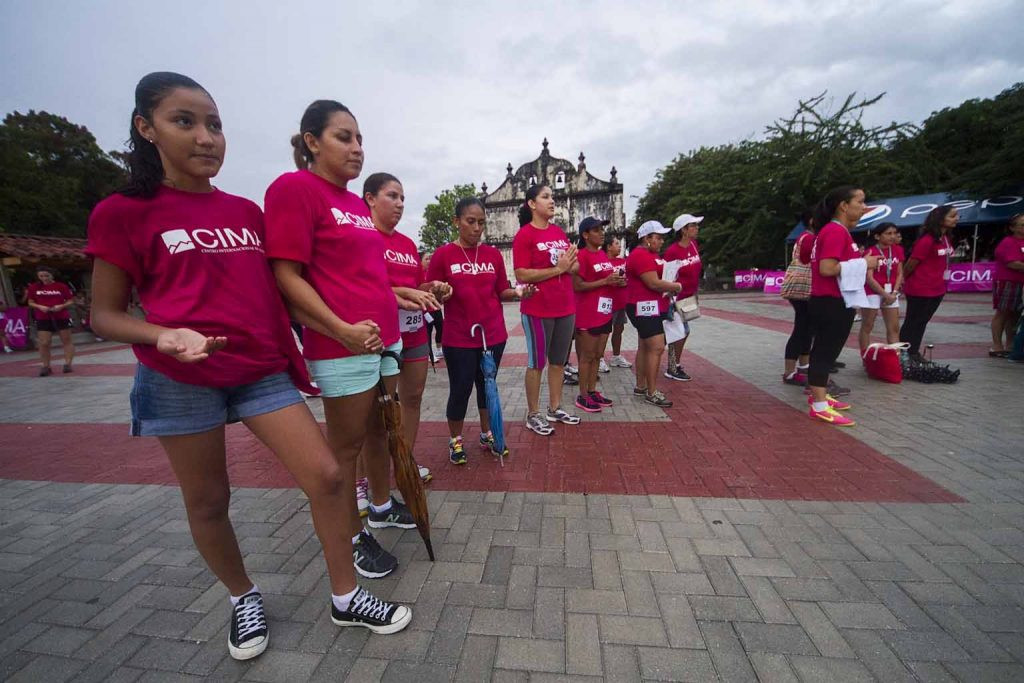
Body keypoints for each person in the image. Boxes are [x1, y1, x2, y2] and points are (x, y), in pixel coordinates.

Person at [86, 73, 411, 662]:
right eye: (184, 122)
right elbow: (103, 315)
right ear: (146, 128)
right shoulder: (120, 212)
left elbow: (288, 286)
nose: (206, 137)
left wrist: (353, 318)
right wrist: (163, 335)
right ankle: (243, 595)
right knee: (210, 501)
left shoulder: (244, 211)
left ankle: (346, 596)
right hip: (179, 380)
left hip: (259, 371)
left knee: (328, 475)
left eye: (214, 124)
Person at [264, 99, 422, 591]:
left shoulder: (355, 204)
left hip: (385, 340)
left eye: (359, 139)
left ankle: (380, 505)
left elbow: (364, 275)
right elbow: (286, 276)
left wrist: (399, 294)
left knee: (381, 431)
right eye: (343, 137)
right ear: (312, 142)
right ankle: (351, 535)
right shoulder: (294, 189)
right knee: (345, 449)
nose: (357, 148)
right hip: (342, 347)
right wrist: (340, 329)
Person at [358, 172, 444, 510]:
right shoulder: (362, 238)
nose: (399, 204)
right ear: (370, 198)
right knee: (373, 412)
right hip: (378, 335)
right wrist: (400, 294)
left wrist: (434, 289)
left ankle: (404, 462)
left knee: (412, 398)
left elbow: (417, 287)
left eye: (403, 198)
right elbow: (362, 286)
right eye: (392, 196)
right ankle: (362, 481)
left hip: (414, 332)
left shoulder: (407, 245)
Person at [426, 197, 534, 463]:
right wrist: (439, 291)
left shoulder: (492, 255)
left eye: (482, 223)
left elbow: (502, 291)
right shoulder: (443, 255)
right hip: (459, 337)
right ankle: (455, 440)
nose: (477, 228)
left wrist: (519, 293)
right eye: (471, 221)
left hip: (493, 335)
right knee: (460, 389)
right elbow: (429, 292)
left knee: (488, 387)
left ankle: (488, 433)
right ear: (457, 222)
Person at [512, 184, 580, 435]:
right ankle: (533, 414)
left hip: (566, 307)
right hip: (538, 310)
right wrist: (558, 269)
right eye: (546, 197)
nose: (552, 201)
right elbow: (521, 274)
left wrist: (569, 265)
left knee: (559, 362)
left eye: (552, 197)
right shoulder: (525, 235)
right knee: (536, 363)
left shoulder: (558, 232)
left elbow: (574, 266)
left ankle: (555, 407)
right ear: (532, 204)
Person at [806, 186, 876, 426]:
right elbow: (827, 268)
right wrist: (864, 263)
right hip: (830, 300)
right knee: (824, 352)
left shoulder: (836, 231)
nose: (864, 207)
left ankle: (820, 395)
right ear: (844, 206)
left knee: (826, 351)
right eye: (860, 201)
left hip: (833, 299)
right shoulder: (835, 231)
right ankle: (819, 406)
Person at [626, 221, 683, 407]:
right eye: (658, 237)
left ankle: (641, 386)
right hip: (643, 306)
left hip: (653, 305)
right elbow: (653, 283)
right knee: (657, 347)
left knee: (645, 346)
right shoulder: (640, 255)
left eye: (662, 238)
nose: (661, 241)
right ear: (646, 238)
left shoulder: (652, 254)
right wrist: (675, 286)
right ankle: (651, 392)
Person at [572, 217, 625, 412]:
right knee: (586, 356)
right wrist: (605, 282)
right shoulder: (581, 256)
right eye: (596, 230)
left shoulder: (602, 254)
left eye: (602, 229)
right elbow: (577, 286)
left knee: (597, 355)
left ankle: (592, 391)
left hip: (605, 311)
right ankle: (582, 396)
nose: (602, 233)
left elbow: (606, 279)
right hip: (587, 313)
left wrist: (617, 282)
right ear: (585, 235)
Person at [900, 205, 958, 360]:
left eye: (957, 216)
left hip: (937, 288)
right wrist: (902, 279)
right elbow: (911, 263)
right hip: (921, 288)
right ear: (940, 219)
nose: (956, 219)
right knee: (913, 321)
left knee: (922, 321)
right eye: (952, 216)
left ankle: (913, 352)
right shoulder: (927, 240)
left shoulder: (945, 238)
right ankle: (905, 353)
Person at [663, 213, 703, 382]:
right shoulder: (672, 251)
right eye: (693, 226)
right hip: (675, 298)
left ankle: (675, 364)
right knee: (679, 332)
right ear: (683, 230)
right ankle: (672, 367)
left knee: (684, 332)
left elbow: (695, 271)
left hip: (689, 296)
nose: (697, 228)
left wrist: (695, 293)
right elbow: (667, 277)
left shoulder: (693, 245)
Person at [858, 222, 904, 351]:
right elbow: (869, 278)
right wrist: (885, 295)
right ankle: (866, 357)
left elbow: (900, 273)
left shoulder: (898, 249)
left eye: (894, 233)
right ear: (877, 236)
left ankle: (895, 358)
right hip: (872, 292)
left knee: (894, 328)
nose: (892, 236)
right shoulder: (870, 252)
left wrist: (894, 293)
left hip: (891, 293)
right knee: (867, 326)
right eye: (888, 233)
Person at [782, 211, 814, 385]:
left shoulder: (805, 236)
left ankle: (804, 365)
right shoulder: (809, 238)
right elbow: (807, 258)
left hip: (803, 288)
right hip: (803, 287)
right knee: (801, 328)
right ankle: (789, 371)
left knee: (807, 328)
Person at [26, 267, 76, 375]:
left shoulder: (61, 286)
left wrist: (61, 306)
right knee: (44, 342)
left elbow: (70, 300)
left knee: (66, 340)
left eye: (46, 276)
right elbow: (30, 302)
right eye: (41, 276)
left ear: (52, 275)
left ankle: (68, 364)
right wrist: (40, 306)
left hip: (61, 315)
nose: (44, 278)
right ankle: (46, 366)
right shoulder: (34, 287)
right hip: (43, 316)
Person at [990, 213, 1024, 356]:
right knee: (1003, 313)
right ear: (1012, 228)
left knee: (1015, 314)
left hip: (1020, 281)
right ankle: (997, 346)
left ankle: (1010, 344)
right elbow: (1012, 263)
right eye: (1022, 225)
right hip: (1007, 281)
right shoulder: (1009, 242)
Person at [602, 236, 631, 369]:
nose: (619, 246)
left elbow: (629, 277)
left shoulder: (623, 261)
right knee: (604, 332)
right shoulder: (603, 261)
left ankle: (616, 356)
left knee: (619, 329)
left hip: (621, 303)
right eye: (616, 244)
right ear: (609, 247)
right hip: (607, 303)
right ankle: (599, 358)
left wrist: (625, 282)